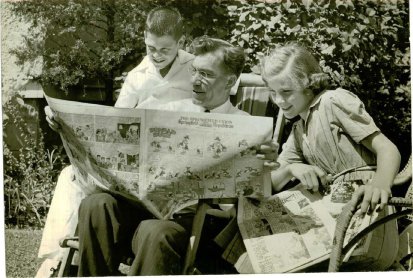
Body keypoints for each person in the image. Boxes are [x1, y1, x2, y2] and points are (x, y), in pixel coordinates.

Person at [36, 6, 195, 277]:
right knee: (92, 201)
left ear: (181, 43)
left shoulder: (196, 71)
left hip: (173, 181)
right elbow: (114, 124)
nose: (156, 56)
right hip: (134, 183)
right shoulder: (136, 78)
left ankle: (56, 262)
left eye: (165, 50)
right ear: (144, 37)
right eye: (150, 48)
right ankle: (63, 264)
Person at [261, 43, 400, 270]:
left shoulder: (332, 102)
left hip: (366, 216)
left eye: (286, 92)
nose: (278, 100)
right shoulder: (298, 130)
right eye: (273, 92)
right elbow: (270, 183)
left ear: (310, 84)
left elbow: (388, 149)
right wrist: (290, 169)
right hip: (334, 221)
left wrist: (381, 185)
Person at [126, 36, 249, 276]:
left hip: (202, 221)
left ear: (230, 81)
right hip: (151, 207)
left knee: (156, 231)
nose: (195, 80)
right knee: (97, 205)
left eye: (206, 74)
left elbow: (247, 195)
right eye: (193, 71)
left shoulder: (246, 126)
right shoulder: (172, 111)